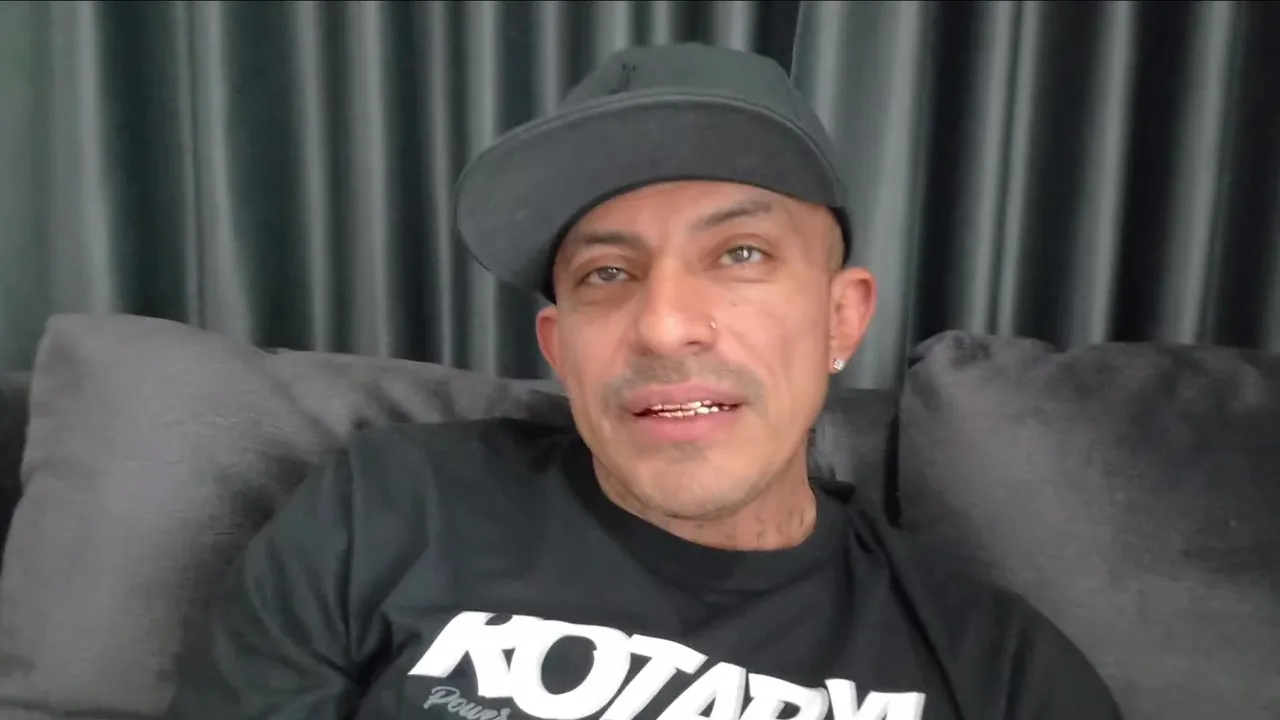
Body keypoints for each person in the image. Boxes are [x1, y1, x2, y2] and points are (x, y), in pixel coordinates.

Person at [164, 43, 1123, 720]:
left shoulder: (999, 671)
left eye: (740, 253)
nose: (663, 324)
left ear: (842, 317)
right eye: (607, 274)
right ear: (559, 345)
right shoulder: (384, 510)